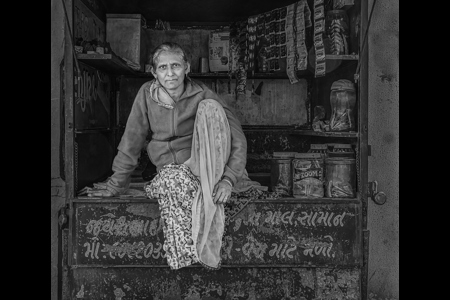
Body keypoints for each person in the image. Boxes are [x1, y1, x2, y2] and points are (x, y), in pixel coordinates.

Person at [86, 42, 248, 270]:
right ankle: (188, 259)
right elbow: (132, 139)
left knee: (210, 113)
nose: (170, 73)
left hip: (199, 168)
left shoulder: (203, 95)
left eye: (176, 66)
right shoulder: (146, 94)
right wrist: (117, 183)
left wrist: (229, 179)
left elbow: (236, 137)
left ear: (187, 68)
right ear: (154, 72)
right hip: (167, 171)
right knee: (172, 181)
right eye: (163, 68)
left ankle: (192, 258)